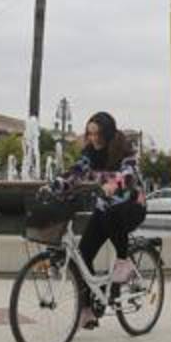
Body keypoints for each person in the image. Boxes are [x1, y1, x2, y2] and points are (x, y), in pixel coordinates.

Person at [52, 111, 146, 329]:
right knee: (84, 255)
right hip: (105, 208)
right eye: (90, 133)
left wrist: (115, 182)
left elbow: (129, 174)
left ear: (108, 132)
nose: (93, 138)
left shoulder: (124, 150)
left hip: (132, 207)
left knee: (114, 212)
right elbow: (77, 171)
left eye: (97, 134)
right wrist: (59, 184)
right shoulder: (89, 152)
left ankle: (124, 261)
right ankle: (87, 309)